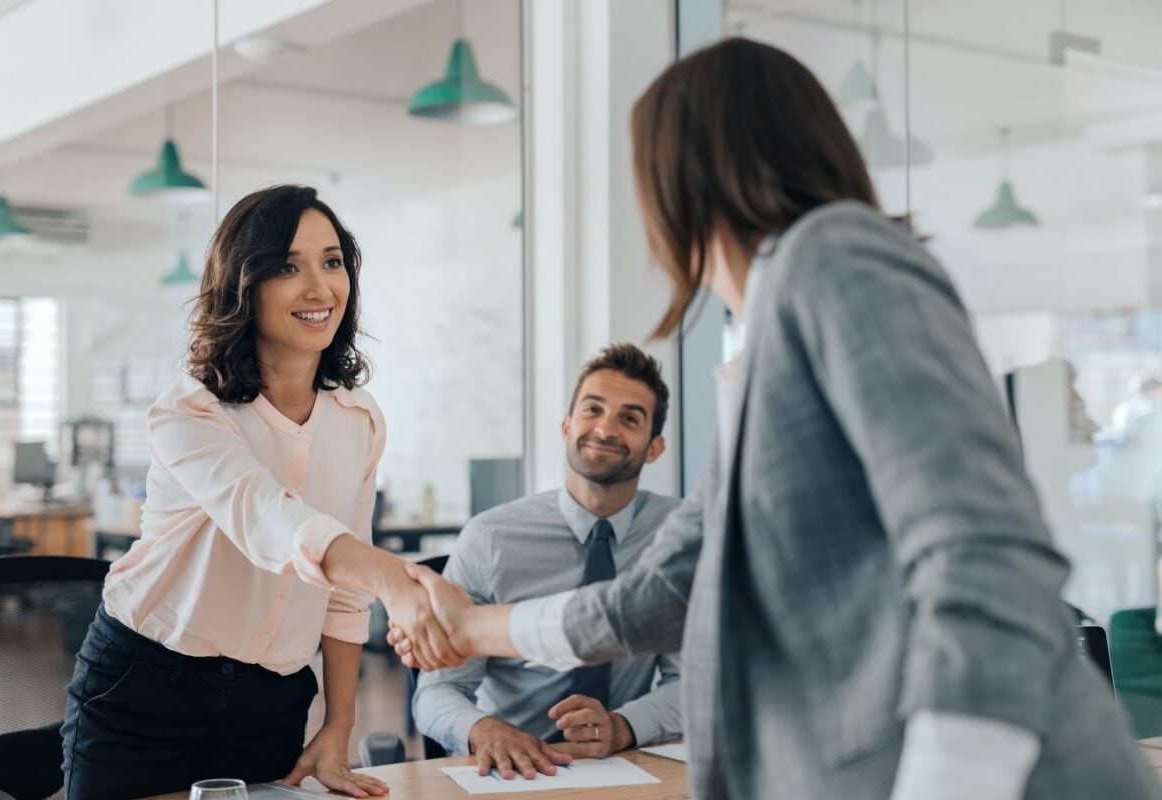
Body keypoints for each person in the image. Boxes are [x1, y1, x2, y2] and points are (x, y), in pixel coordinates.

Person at [390, 39, 1162, 799]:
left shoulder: (836, 255)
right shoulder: (763, 348)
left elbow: (984, 552)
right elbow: (666, 594)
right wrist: (475, 627)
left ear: (684, 175)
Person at [61, 185, 462, 800]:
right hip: (146, 681)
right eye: (286, 267)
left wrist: (339, 723)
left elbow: (342, 596)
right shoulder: (191, 409)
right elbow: (268, 520)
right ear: (243, 286)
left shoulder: (360, 421)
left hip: (270, 697)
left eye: (332, 262)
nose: (319, 288)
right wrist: (394, 580)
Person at [413, 343, 683, 779]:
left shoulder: (678, 536)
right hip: (510, 774)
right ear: (565, 426)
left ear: (654, 447)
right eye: (592, 409)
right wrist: (484, 730)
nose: (605, 428)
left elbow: (693, 679)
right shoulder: (490, 538)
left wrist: (622, 726)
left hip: (625, 767)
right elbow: (438, 690)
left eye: (629, 418)